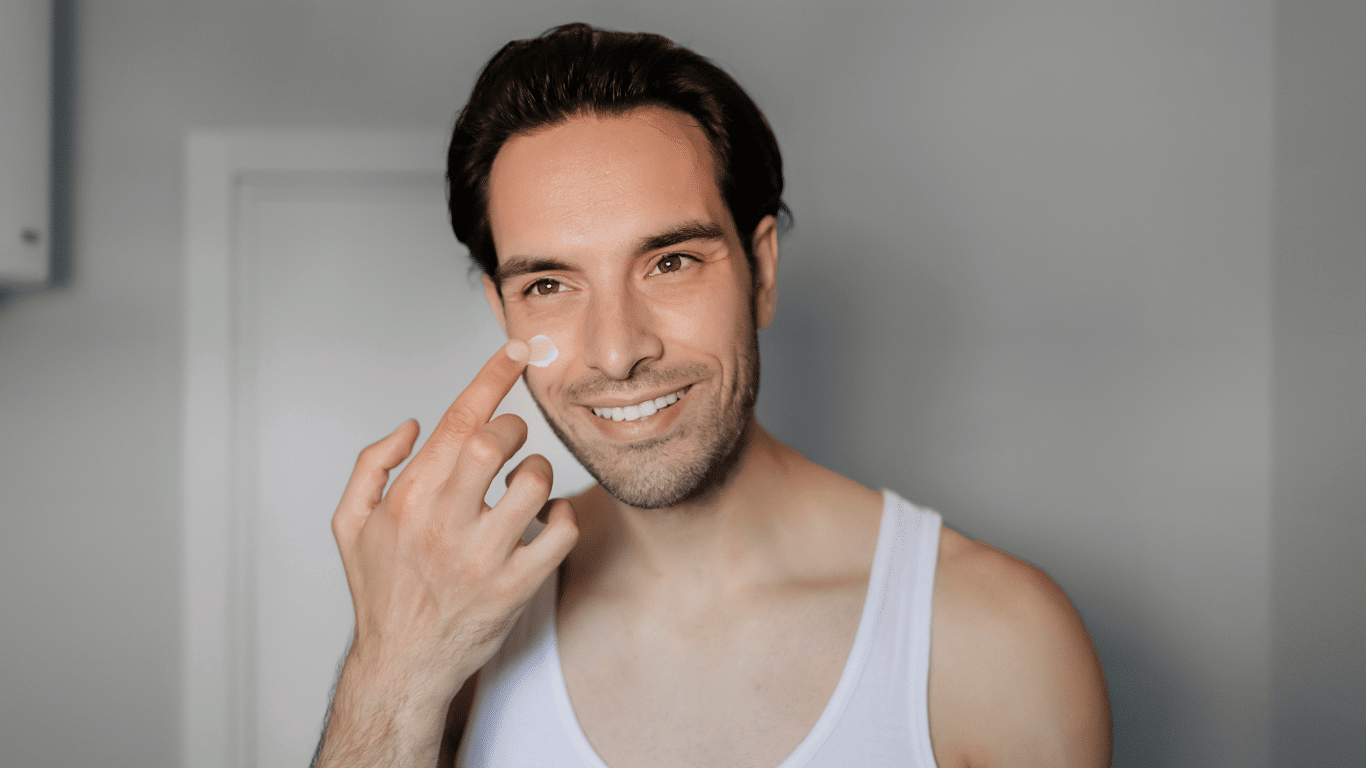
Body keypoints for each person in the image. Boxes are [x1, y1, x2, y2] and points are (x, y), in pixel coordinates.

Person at [314, 23, 1111, 768]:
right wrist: (392, 673)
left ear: (761, 270)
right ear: (502, 309)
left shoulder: (993, 639)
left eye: (670, 263)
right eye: (550, 284)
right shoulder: (458, 626)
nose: (619, 352)